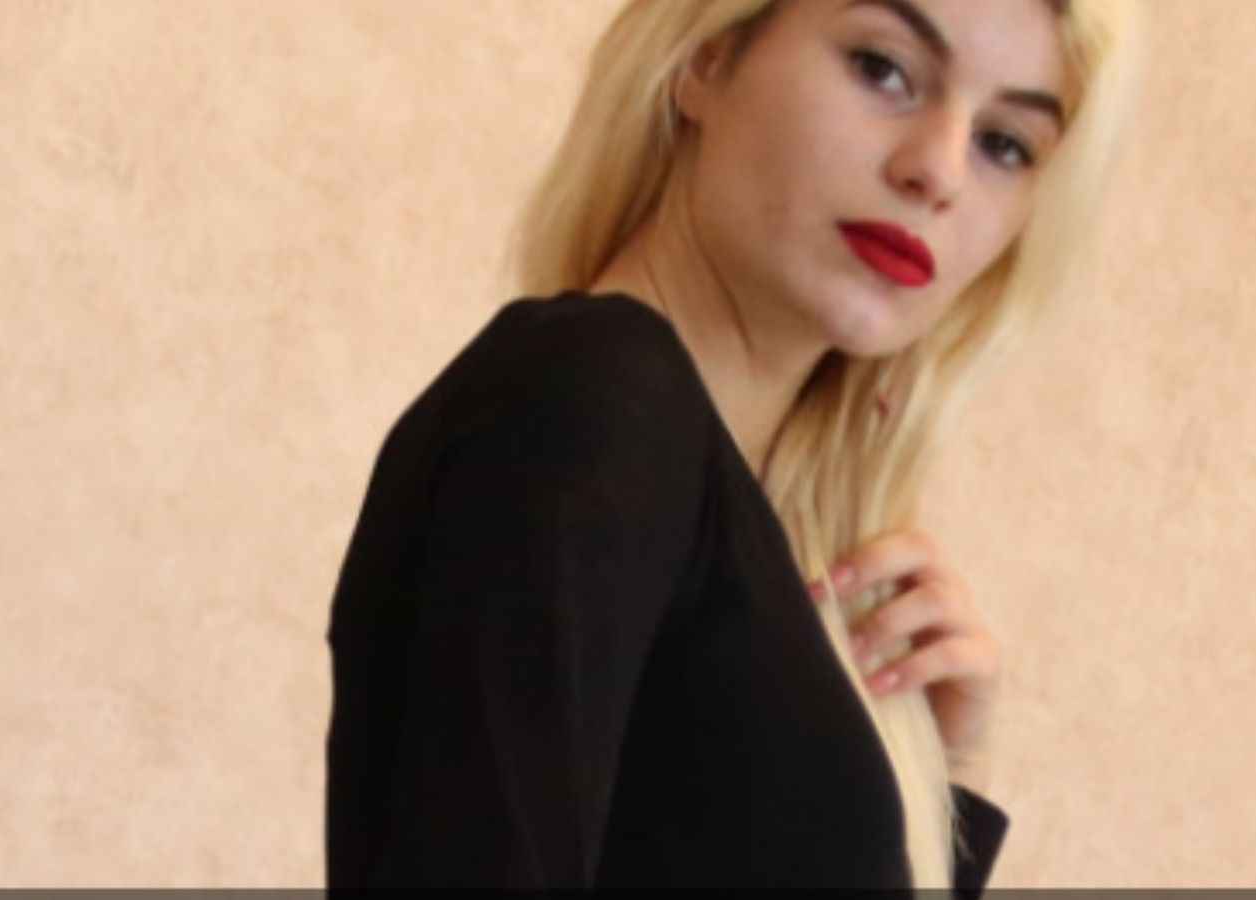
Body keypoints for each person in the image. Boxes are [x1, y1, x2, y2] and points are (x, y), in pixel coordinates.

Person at [324, 0, 1144, 891]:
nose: (938, 171)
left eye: (1004, 144)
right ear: (707, 57)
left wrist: (943, 780)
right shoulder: (592, 402)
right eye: (884, 68)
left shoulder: (756, 532)